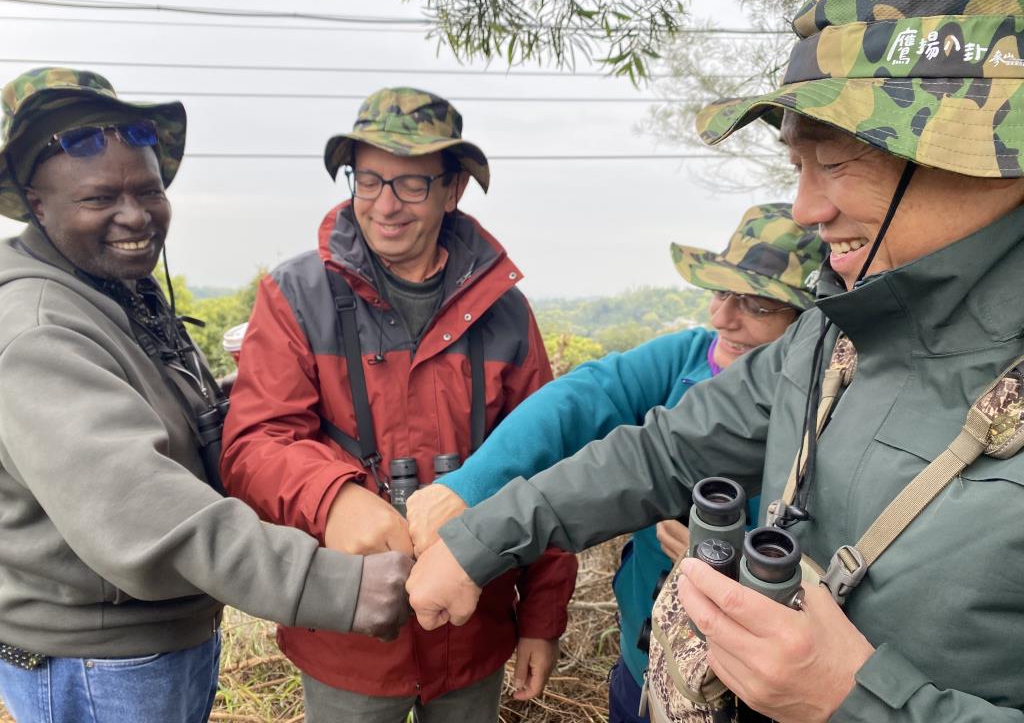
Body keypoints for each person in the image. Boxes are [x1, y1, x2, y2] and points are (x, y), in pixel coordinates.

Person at [405, 0, 1024, 719]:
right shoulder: (835, 339)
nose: (805, 209)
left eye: (835, 164)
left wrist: (854, 702)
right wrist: (481, 536)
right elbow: (664, 450)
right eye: (798, 165)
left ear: (989, 150)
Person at [0, 68, 411, 723]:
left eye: (148, 191)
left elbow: (155, 419)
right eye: (99, 198)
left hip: (153, 636)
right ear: (37, 203)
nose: (134, 217)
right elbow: (141, 510)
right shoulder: (39, 331)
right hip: (101, 661)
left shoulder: (113, 288)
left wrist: (263, 397)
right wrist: (344, 587)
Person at [221, 87, 577, 723]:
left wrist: (541, 620)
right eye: (370, 179)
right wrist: (334, 498)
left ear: (453, 189)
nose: (385, 205)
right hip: (347, 632)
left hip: (474, 625)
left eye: (412, 184)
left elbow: (547, 466)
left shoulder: (503, 313)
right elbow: (255, 442)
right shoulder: (296, 295)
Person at [405, 202, 827, 722]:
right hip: (644, 661)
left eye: (758, 306)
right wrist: (470, 486)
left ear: (810, 322)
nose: (723, 318)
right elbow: (579, 399)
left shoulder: (832, 404)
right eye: (720, 292)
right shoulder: (686, 358)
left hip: (766, 694)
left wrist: (738, 556)